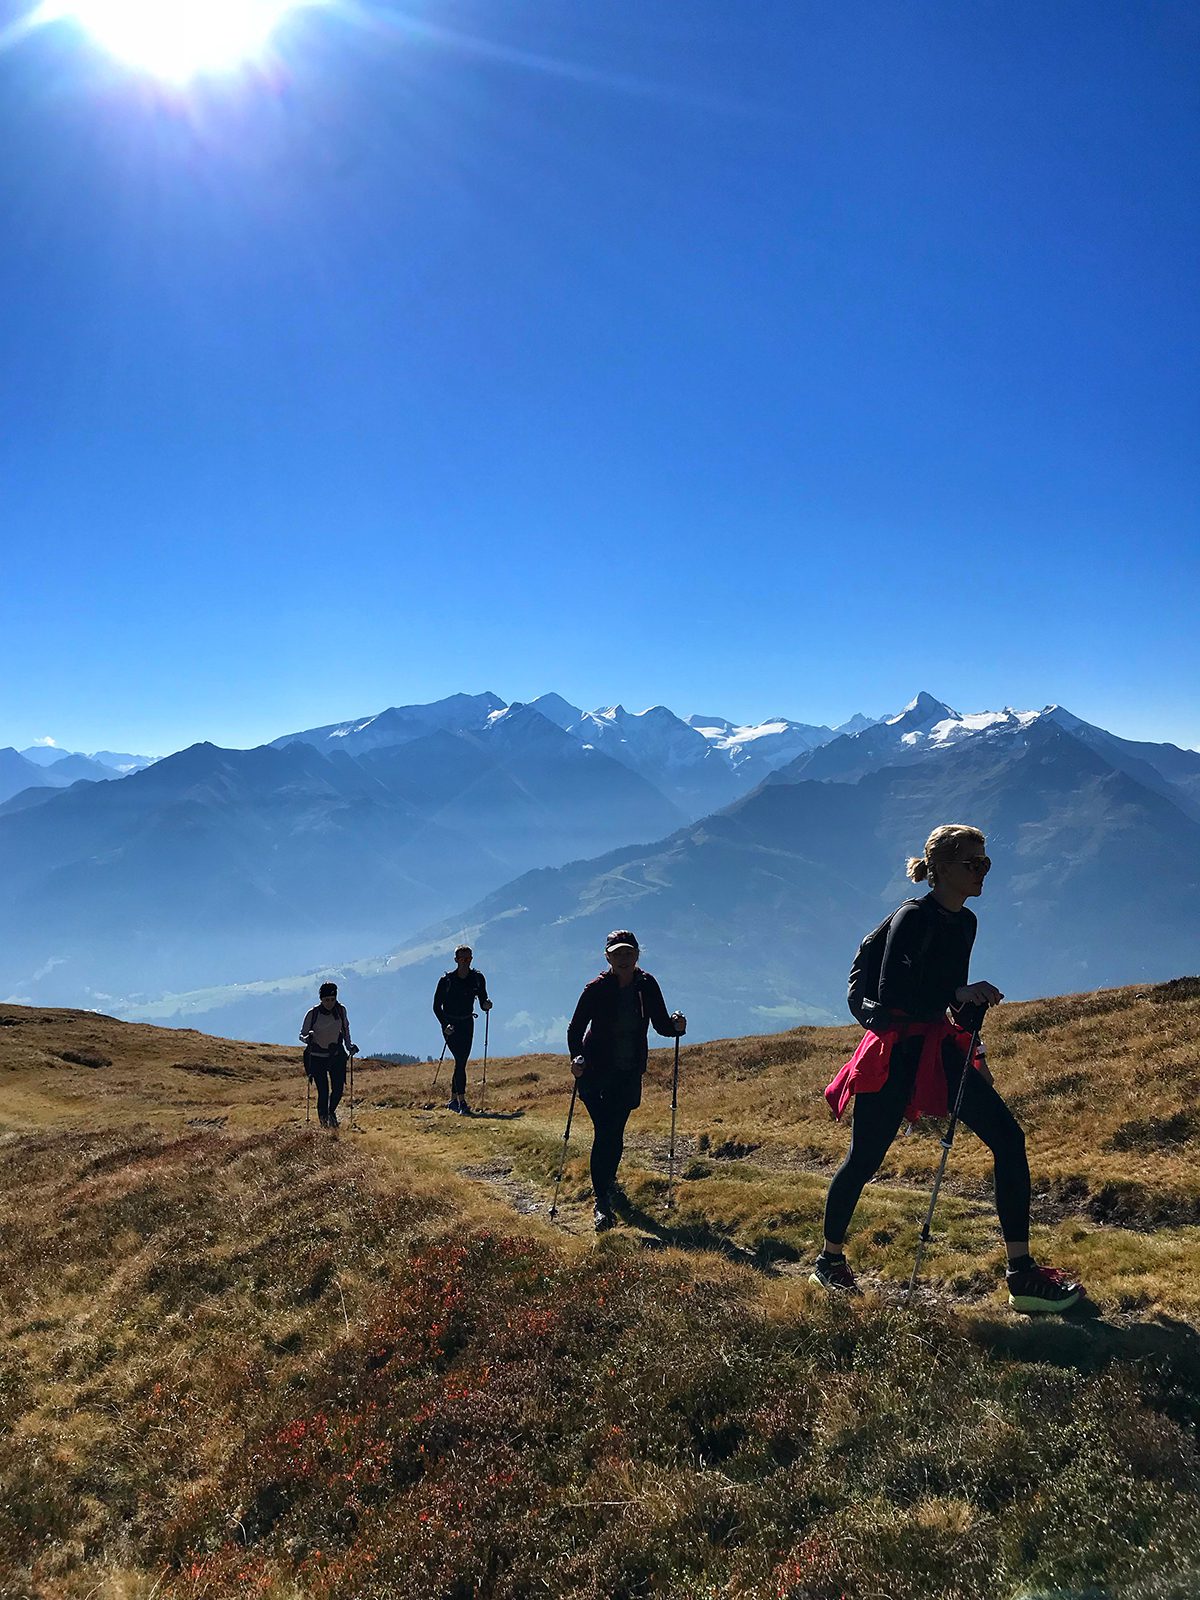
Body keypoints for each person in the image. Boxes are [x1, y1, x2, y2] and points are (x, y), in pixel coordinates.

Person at [812, 825, 1083, 1315]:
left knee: (1008, 1138)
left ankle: (1022, 1274)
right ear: (939, 868)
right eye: (972, 863)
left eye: (985, 863)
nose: (982, 871)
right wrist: (957, 995)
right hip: (895, 1051)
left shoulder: (966, 922)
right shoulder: (913, 918)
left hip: (941, 1048)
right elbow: (896, 994)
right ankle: (829, 1261)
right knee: (866, 1157)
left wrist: (969, 1024)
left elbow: (942, 1000)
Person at [567, 929, 686, 1233]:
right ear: (607, 956)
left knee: (615, 1133)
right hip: (595, 1073)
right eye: (617, 953)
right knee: (605, 1131)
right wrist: (577, 1058)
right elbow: (575, 1029)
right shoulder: (595, 988)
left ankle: (606, 1186)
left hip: (628, 1071)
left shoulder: (646, 985)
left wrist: (676, 1028)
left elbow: (660, 1024)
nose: (623, 958)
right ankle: (602, 1200)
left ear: (637, 955)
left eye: (628, 953)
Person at [433, 946, 492, 1115]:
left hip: (466, 1023)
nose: (465, 962)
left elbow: (482, 1000)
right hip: (450, 1026)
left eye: (468, 959)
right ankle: (462, 1102)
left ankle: (453, 1100)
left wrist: (486, 1004)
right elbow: (436, 1007)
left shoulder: (477, 978)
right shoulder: (446, 981)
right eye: (462, 959)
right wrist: (445, 1024)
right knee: (460, 1059)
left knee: (461, 1061)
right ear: (456, 960)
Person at [299, 981, 357, 1130]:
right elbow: (302, 1034)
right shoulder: (313, 1013)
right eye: (327, 1000)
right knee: (323, 1091)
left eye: (332, 999)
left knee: (338, 1089)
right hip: (316, 1056)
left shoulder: (341, 1011)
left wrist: (349, 1046)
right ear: (321, 999)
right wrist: (307, 1039)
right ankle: (325, 1122)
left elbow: (345, 1030)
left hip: (335, 1055)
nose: (330, 1003)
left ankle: (330, 1113)